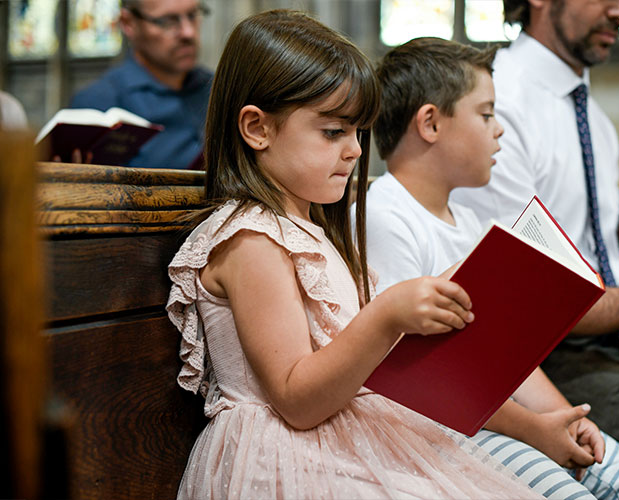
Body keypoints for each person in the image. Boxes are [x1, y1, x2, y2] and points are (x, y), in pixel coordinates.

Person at [166, 9, 543, 499]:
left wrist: (448, 288)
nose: (356, 151)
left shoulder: (307, 228)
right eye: (332, 132)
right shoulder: (253, 240)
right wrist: (387, 315)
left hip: (339, 433)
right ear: (257, 128)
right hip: (285, 457)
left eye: (358, 132)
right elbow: (296, 399)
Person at [364, 35, 619, 500]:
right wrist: (535, 431)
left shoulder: (471, 221)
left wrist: (566, 420)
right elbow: (415, 375)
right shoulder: (386, 214)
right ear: (430, 123)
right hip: (426, 426)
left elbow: (509, 357)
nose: (500, 131)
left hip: (485, 413)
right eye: (487, 114)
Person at [450, 1, 619, 497]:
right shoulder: (497, 107)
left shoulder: (592, 116)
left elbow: (601, 260)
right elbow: (531, 296)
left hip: (613, 335)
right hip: (545, 355)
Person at [70, 0, 212, 169]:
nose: (188, 32)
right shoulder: (96, 104)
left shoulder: (218, 88)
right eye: (168, 21)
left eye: (192, 15)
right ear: (128, 23)